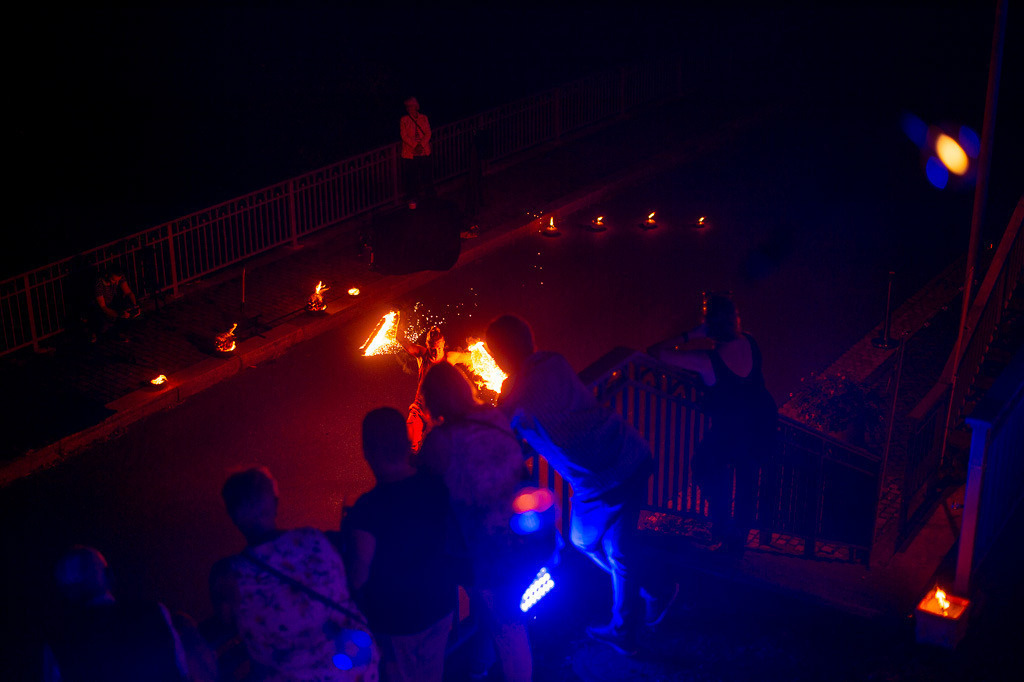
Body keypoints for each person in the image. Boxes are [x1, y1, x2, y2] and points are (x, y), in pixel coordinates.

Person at [485, 314, 678, 657]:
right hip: (631, 450)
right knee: (620, 550)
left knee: (582, 540)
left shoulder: (514, 393)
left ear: (499, 356)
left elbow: (496, 429)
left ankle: (647, 597)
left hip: (601, 480)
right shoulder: (554, 361)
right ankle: (637, 613)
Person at [417, 362, 533, 682]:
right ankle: (479, 667)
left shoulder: (441, 442)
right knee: (498, 616)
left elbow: (421, 485)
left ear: (434, 400)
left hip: (482, 552)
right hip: (518, 536)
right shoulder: (493, 418)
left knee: (509, 631)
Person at [217, 467, 379, 682]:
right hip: (356, 664)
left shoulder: (228, 575)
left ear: (232, 515)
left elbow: (226, 623)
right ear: (275, 504)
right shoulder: (314, 539)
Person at [649, 293, 778, 555]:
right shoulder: (750, 341)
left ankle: (724, 527)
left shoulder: (708, 360)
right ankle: (737, 541)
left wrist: (691, 334)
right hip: (759, 424)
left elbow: (657, 352)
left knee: (703, 466)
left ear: (710, 325)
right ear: (734, 319)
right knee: (747, 482)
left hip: (729, 431)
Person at [341, 407, 456, 682]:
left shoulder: (368, 509)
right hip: (441, 604)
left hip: (398, 621)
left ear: (369, 451)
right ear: (405, 443)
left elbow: (358, 575)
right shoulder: (435, 484)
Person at [43, 545, 189, 682]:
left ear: (65, 590)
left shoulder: (59, 636)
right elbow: (182, 669)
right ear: (109, 574)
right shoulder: (153, 612)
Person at [396, 318, 471, 453]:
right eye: (432, 349)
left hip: (438, 411)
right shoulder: (422, 355)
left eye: (439, 349)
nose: (436, 352)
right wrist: (401, 315)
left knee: (440, 448)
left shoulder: (450, 357)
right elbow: (400, 339)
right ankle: (410, 463)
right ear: (427, 345)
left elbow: (473, 358)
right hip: (419, 408)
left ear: (443, 345)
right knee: (407, 441)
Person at [399, 96, 432, 209]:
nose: (409, 108)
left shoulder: (424, 118)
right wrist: (415, 145)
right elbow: (404, 135)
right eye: (407, 107)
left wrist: (421, 145)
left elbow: (428, 132)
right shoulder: (404, 120)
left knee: (425, 174)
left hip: (423, 151)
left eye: (411, 106)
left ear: (416, 106)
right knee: (411, 176)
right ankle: (413, 197)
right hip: (411, 153)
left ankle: (427, 196)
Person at [90, 267, 139, 342]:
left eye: (118, 280)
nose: (116, 283)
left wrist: (134, 306)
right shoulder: (99, 284)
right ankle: (95, 332)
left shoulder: (118, 277)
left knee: (127, 311)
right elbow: (103, 307)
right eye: (113, 280)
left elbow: (128, 293)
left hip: (112, 301)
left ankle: (119, 332)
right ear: (107, 275)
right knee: (102, 325)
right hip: (99, 306)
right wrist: (119, 315)